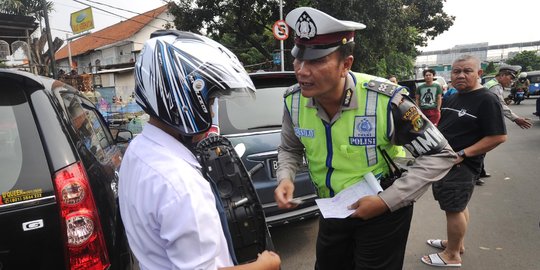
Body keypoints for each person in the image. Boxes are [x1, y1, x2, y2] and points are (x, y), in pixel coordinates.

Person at [274, 7, 456, 270]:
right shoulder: (293, 101)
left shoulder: (386, 100)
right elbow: (290, 148)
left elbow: (441, 154)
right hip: (332, 208)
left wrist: (385, 202)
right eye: (298, 60)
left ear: (345, 65)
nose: (301, 71)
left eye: (315, 61)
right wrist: (285, 178)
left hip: (381, 209)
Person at [118, 30, 280, 270]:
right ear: (183, 97)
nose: (212, 113)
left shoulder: (137, 151)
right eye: (210, 101)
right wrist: (266, 264)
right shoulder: (180, 185)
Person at [421, 54, 507, 268]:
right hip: (445, 160)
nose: (460, 75)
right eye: (456, 71)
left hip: (461, 164)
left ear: (479, 73)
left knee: (454, 209)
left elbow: (498, 136)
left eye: (467, 71)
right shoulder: (453, 95)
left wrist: (463, 154)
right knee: (458, 206)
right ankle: (456, 244)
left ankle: (451, 256)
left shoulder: (487, 99)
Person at [481, 65, 532, 185]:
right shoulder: (494, 86)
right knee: (481, 147)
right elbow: (500, 105)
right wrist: (516, 118)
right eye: (510, 77)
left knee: (482, 148)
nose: (512, 81)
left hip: (484, 118)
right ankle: (476, 173)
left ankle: (479, 171)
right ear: (502, 76)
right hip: (482, 120)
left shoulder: (494, 85)